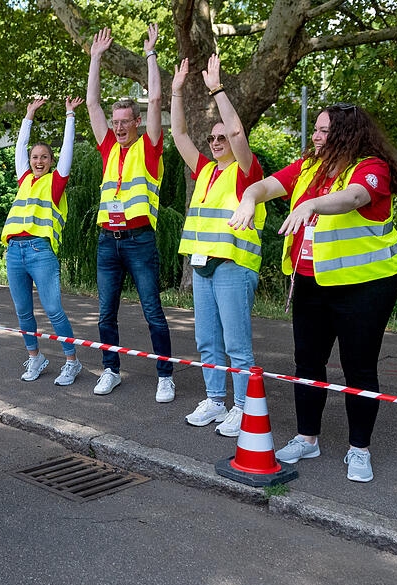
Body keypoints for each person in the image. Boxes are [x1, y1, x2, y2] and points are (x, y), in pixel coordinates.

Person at [229, 103, 397, 482]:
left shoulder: (371, 167)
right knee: (307, 362)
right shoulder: (309, 166)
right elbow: (266, 185)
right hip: (312, 279)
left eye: (324, 131)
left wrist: (311, 202)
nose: (316, 136)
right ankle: (307, 438)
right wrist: (248, 198)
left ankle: (359, 450)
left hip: (367, 284)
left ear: (347, 134)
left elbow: (354, 198)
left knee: (358, 367)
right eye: (317, 130)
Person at [169, 55, 265, 437]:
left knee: (237, 345)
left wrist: (217, 89)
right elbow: (178, 135)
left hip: (233, 266)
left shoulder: (246, 171)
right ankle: (215, 400)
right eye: (212, 138)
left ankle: (243, 407)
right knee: (206, 339)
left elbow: (240, 134)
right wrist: (176, 91)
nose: (216, 142)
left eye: (220, 137)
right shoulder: (205, 169)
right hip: (202, 265)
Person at [86, 24, 175, 403]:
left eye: (125, 121)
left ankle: (165, 374)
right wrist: (95, 59)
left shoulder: (150, 148)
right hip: (109, 241)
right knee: (106, 314)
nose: (118, 126)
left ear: (136, 123)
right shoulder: (108, 148)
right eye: (115, 121)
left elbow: (156, 100)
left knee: (153, 312)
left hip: (139, 241)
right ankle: (111, 369)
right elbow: (92, 105)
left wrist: (150, 54)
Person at [1, 96, 85, 385]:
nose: (37, 161)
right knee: (23, 310)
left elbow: (68, 153)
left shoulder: (56, 181)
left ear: (51, 162)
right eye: (35, 157)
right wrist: (28, 115)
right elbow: (19, 149)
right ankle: (35, 356)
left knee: (53, 310)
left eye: (44, 157)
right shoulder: (24, 178)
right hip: (14, 252)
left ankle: (72, 361)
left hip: (40, 251)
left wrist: (70, 116)